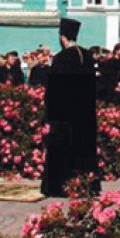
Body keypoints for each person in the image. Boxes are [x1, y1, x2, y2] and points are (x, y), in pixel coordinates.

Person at [42, 18, 98, 197]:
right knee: (84, 149)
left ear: (63, 38)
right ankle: (87, 185)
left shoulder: (61, 58)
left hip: (64, 115)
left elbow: (54, 89)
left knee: (61, 151)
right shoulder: (87, 55)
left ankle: (58, 187)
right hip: (85, 113)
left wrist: (49, 113)